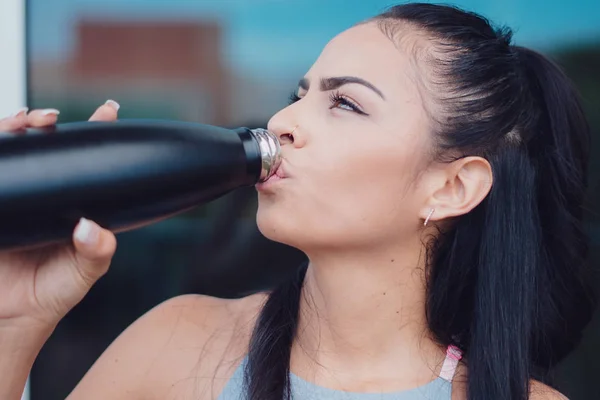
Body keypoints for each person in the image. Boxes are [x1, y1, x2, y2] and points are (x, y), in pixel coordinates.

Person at [0, 3, 594, 399]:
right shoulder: (177, 344)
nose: (281, 120)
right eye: (298, 94)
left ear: (451, 187)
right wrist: (16, 320)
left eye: (346, 104)